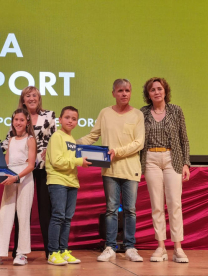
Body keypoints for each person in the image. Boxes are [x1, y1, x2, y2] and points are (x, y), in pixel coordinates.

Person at [77, 79, 145, 262]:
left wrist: (118, 152)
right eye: (120, 90)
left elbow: (139, 143)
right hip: (110, 170)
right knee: (111, 209)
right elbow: (93, 135)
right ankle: (110, 247)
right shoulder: (105, 113)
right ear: (113, 93)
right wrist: (72, 144)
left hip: (131, 169)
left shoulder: (138, 115)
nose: (124, 94)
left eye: (127, 90)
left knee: (130, 210)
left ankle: (130, 247)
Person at [1, 86, 56, 259]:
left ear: (39, 99)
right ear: (23, 99)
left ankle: (51, 252)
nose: (32, 98)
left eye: (35, 95)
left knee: (45, 210)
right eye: (28, 95)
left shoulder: (49, 115)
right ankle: (19, 251)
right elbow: (7, 142)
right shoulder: (20, 117)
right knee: (21, 211)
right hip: (22, 171)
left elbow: (53, 140)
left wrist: (50, 151)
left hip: (42, 169)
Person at [140, 77, 191, 263]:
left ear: (165, 91)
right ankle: (160, 246)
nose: (156, 92)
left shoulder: (176, 110)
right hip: (151, 159)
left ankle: (178, 247)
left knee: (175, 203)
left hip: (173, 159)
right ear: (148, 94)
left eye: (159, 88)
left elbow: (184, 139)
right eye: (152, 89)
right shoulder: (143, 112)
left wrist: (186, 163)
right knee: (157, 204)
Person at [0, 109, 37, 266]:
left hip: (24, 178)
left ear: (27, 122)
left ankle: (21, 254)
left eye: (21, 120)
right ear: (12, 121)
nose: (18, 122)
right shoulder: (11, 140)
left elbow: (32, 164)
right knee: (5, 214)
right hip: (10, 176)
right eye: (16, 119)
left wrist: (18, 177)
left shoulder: (30, 139)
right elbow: (5, 162)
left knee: (23, 215)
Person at [45, 106, 91, 266]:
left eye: (74, 119)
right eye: (67, 117)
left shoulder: (72, 140)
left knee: (67, 218)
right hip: (58, 181)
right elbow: (57, 162)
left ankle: (63, 250)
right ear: (60, 119)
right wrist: (79, 161)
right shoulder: (57, 136)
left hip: (72, 182)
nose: (70, 121)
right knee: (58, 216)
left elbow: (71, 160)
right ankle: (53, 252)